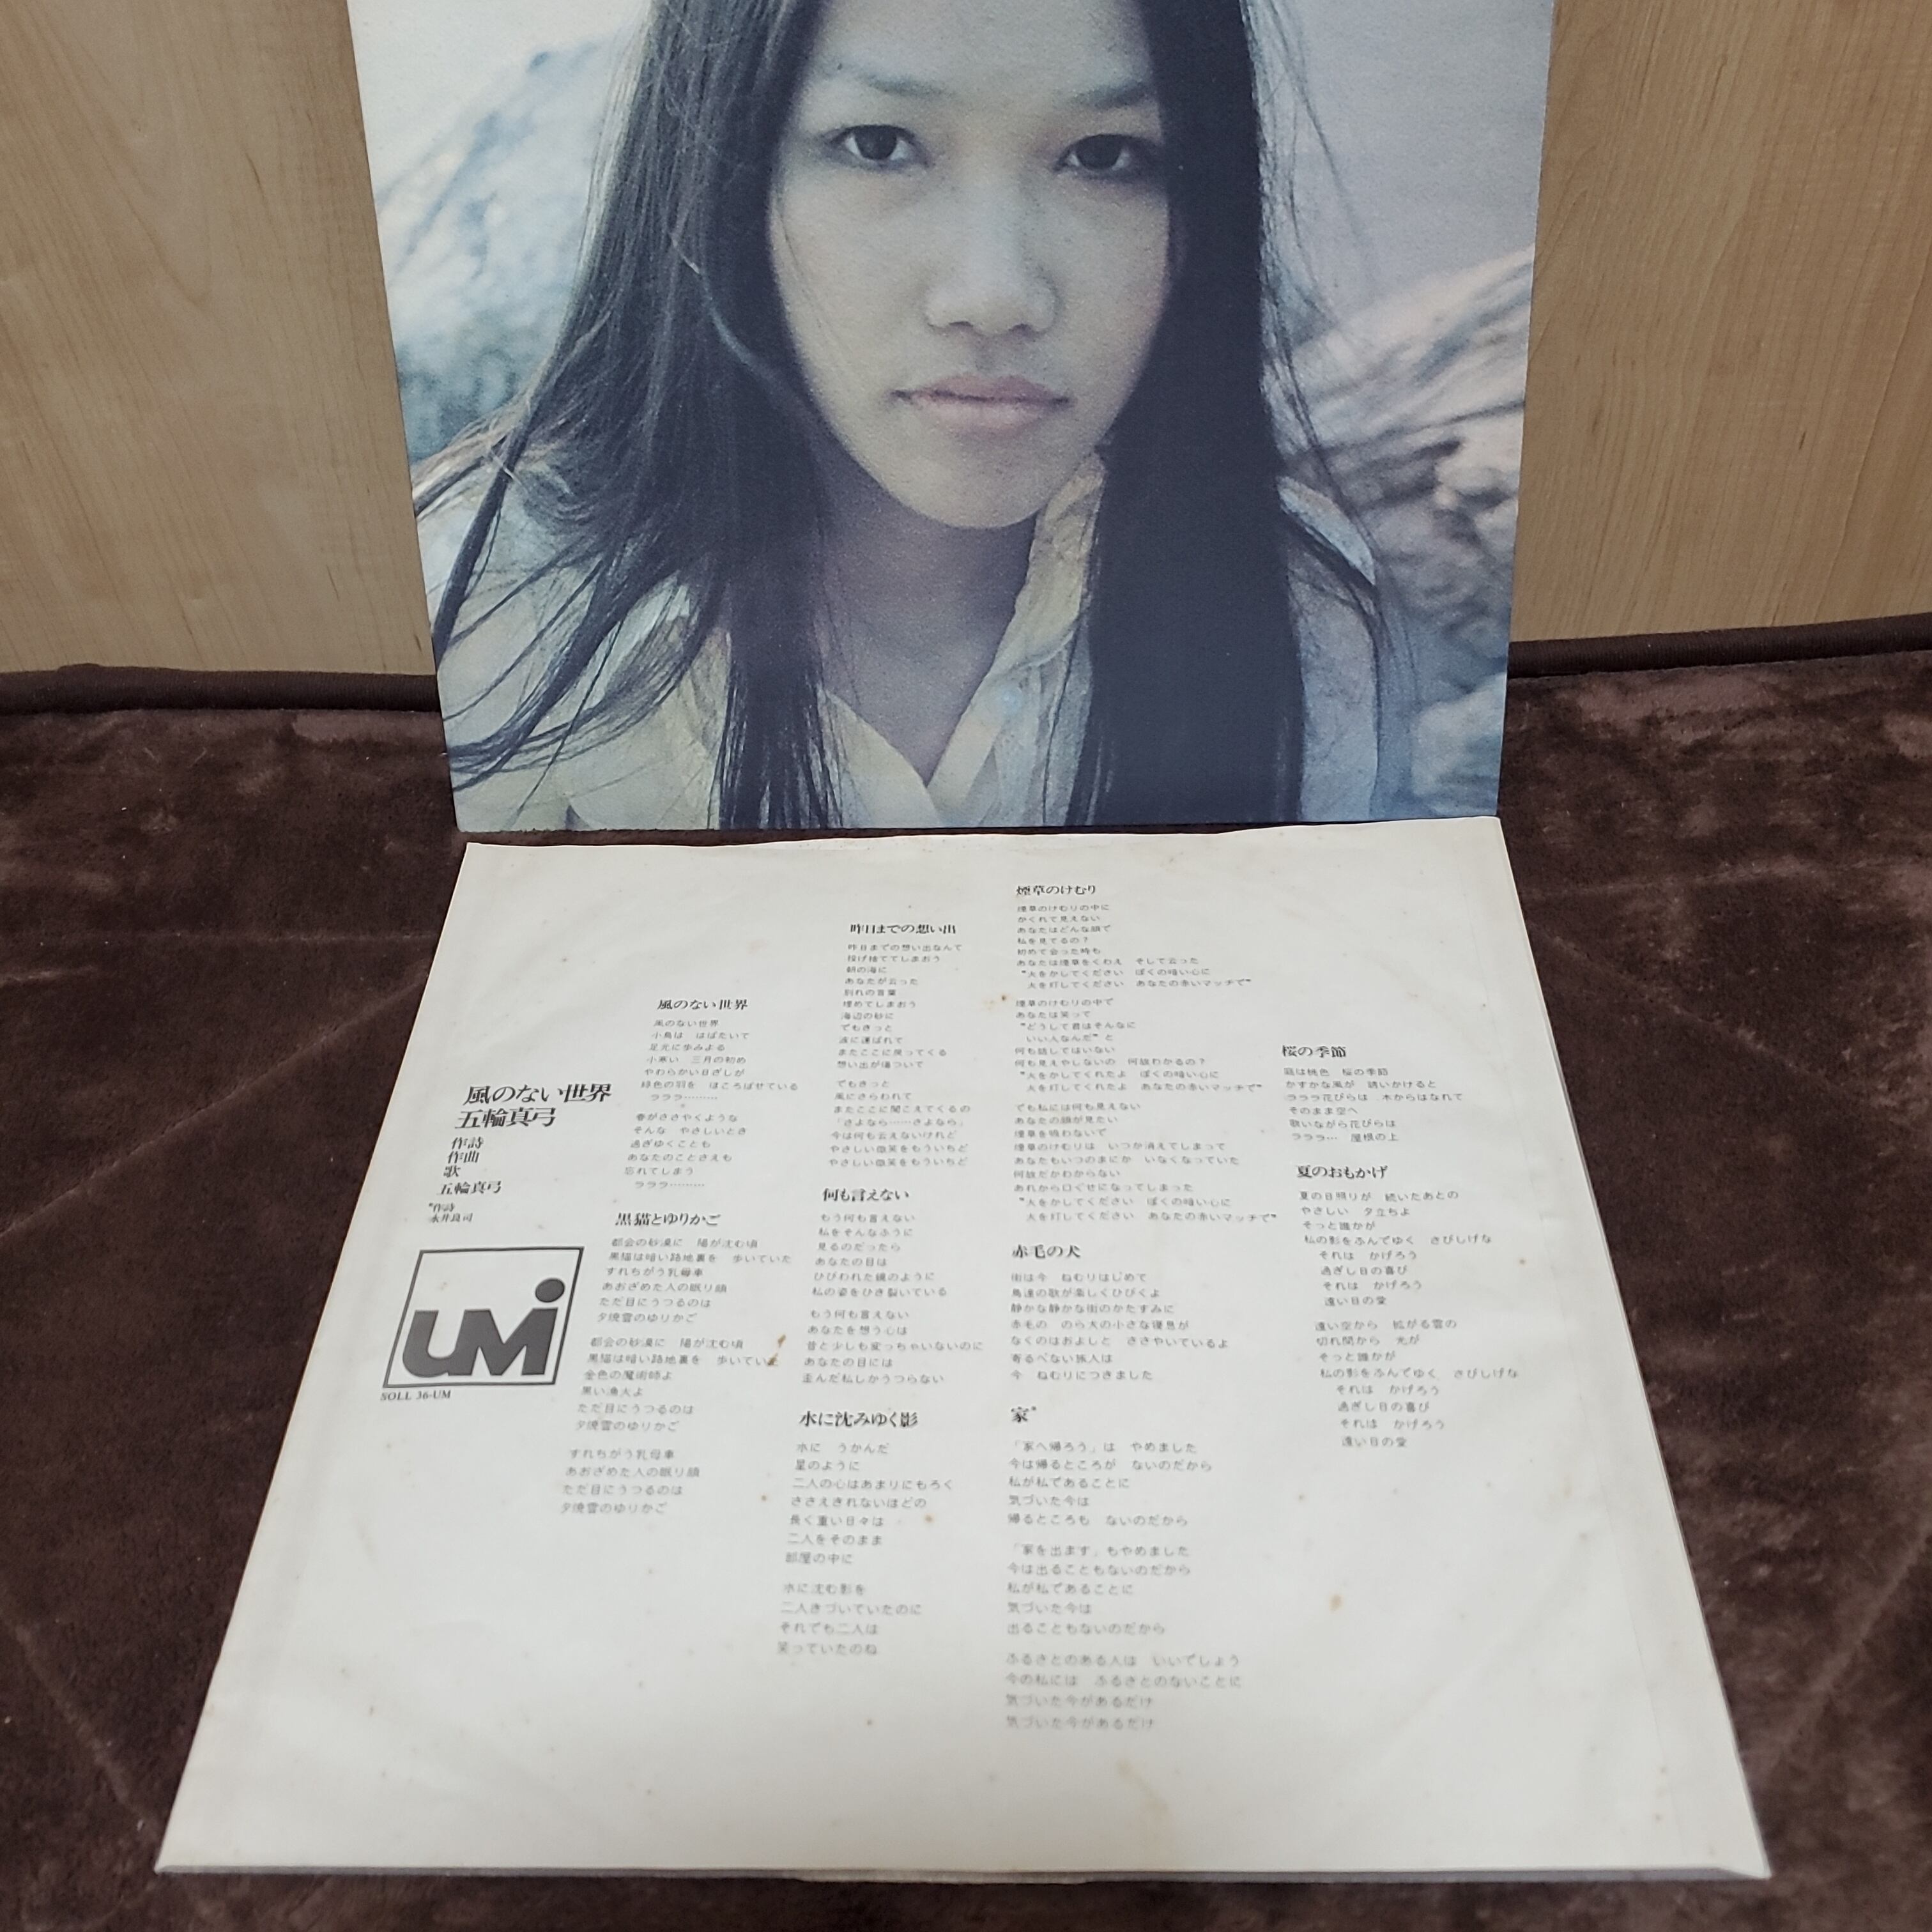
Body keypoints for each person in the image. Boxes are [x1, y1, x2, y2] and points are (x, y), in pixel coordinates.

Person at [418, 0, 1397, 832]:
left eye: (1105, 156)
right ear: (718, 176)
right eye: (879, 146)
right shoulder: (491, 611)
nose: (996, 294)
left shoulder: (1298, 616)